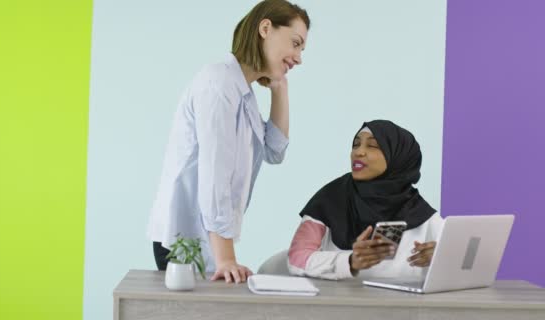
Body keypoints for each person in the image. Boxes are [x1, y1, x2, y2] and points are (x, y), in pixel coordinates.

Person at [147, 0, 310, 284]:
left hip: (208, 239)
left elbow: (274, 149)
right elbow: (214, 176)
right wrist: (226, 258)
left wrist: (279, 87)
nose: (298, 58)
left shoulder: (242, 93)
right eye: (295, 44)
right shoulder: (219, 83)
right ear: (266, 28)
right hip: (185, 239)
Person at [287, 120, 443, 280]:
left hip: (407, 304)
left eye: (373, 146)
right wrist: (350, 261)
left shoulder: (422, 212)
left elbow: (462, 265)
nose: (358, 152)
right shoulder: (330, 198)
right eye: (355, 145)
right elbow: (297, 259)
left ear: (398, 156)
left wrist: (442, 259)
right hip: (341, 302)